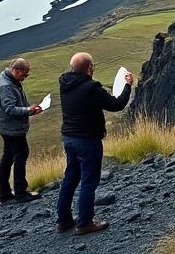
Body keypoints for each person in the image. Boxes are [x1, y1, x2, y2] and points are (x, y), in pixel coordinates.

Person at [56, 52, 133, 235]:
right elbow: (116, 104)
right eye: (93, 67)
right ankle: (84, 223)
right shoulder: (91, 87)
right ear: (89, 68)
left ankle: (64, 221)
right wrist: (128, 85)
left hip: (69, 138)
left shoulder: (65, 83)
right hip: (87, 140)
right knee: (89, 181)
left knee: (70, 179)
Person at [0, 57, 43, 203]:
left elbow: (16, 101)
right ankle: (20, 192)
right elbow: (9, 109)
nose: (25, 78)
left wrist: (30, 109)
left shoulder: (9, 79)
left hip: (5, 126)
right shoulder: (6, 86)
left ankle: (5, 194)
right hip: (10, 128)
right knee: (21, 154)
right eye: (24, 75)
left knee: (8, 157)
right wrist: (28, 110)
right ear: (17, 70)